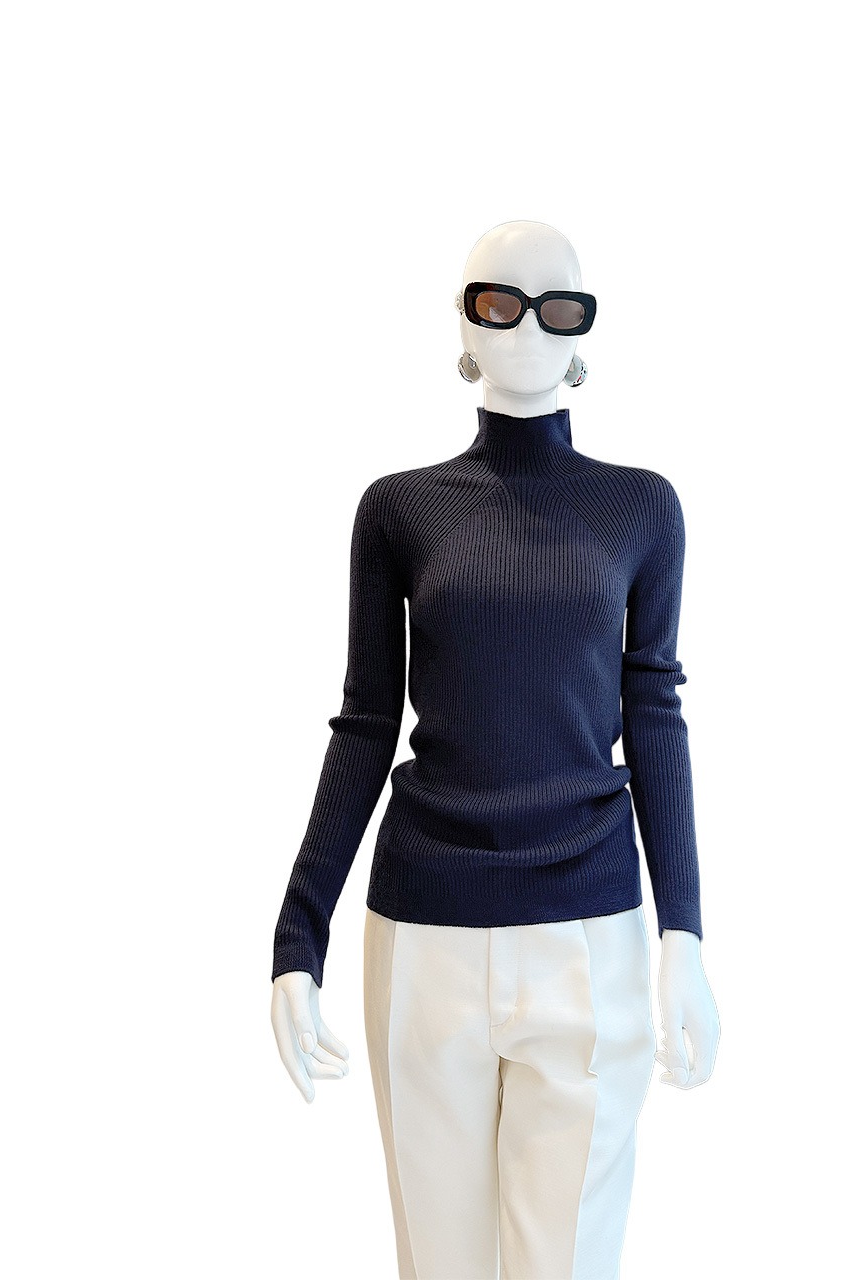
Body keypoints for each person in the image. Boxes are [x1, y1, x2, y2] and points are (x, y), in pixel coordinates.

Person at [270, 219, 720, 1279]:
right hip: (424, 930)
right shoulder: (399, 510)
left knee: (568, 1262)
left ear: (584, 332)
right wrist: (298, 936)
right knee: (442, 1264)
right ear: (463, 325)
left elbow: (653, 710)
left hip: (590, 930)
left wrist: (684, 932)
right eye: (496, 302)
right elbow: (365, 720)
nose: (526, 326)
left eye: (558, 306)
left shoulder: (640, 508)